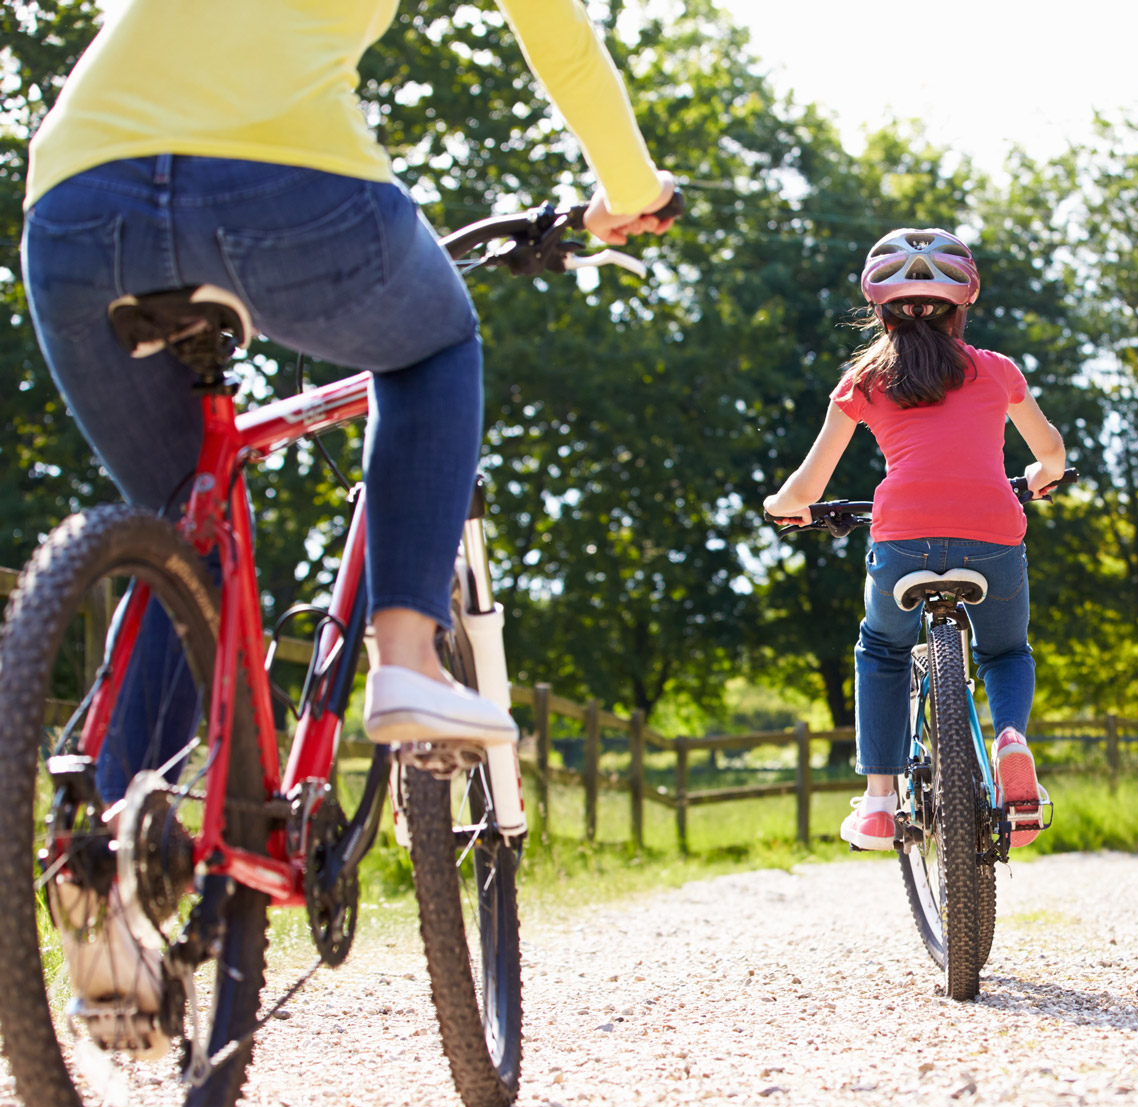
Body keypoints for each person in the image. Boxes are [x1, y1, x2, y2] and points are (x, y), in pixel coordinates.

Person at [22, 0, 680, 760]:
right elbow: (561, 45)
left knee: (182, 528)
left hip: (76, 200)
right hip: (286, 183)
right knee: (434, 344)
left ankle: (110, 847)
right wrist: (632, 190)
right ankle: (405, 658)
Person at [762, 228, 1068, 850]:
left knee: (881, 650)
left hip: (902, 538)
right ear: (963, 307)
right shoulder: (997, 370)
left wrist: (783, 507)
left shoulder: (863, 381)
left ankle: (878, 802)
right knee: (1006, 653)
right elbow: (1051, 453)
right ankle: (1011, 738)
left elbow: (807, 484)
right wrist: (1039, 477)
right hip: (994, 534)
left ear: (880, 309)